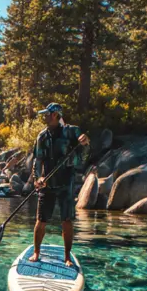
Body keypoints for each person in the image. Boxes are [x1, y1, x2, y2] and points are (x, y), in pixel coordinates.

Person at [30, 103, 89, 265]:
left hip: (66, 183)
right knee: (41, 220)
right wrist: (38, 179)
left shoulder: (72, 132)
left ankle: (67, 257)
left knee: (66, 220)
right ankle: (36, 253)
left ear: (55, 115)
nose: (44, 117)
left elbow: (83, 156)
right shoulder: (42, 136)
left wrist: (85, 143)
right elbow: (38, 159)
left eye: (47, 114)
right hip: (47, 184)